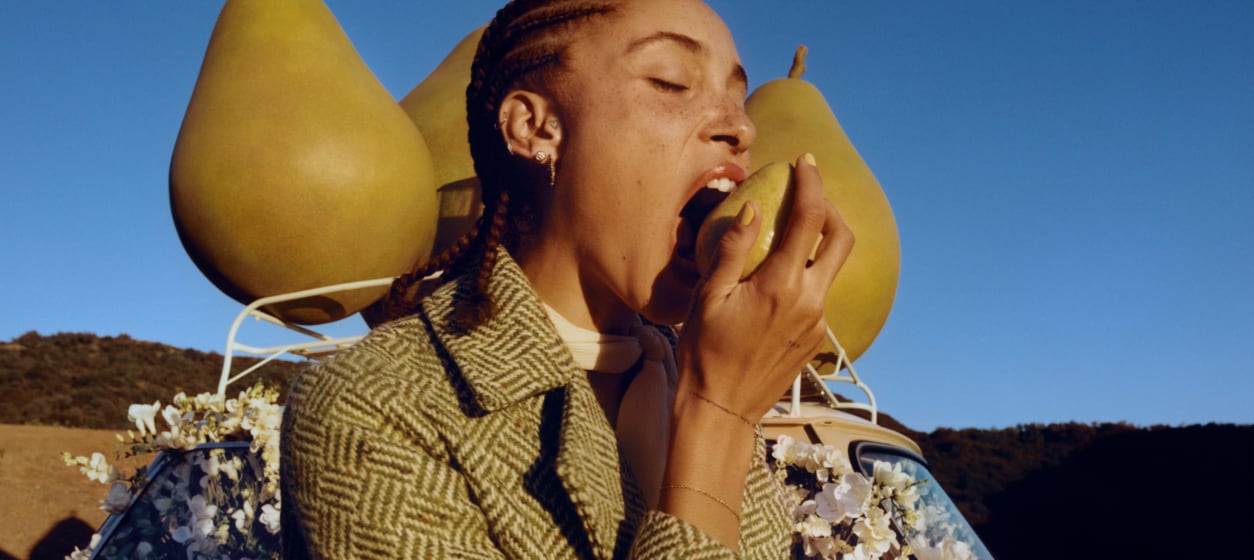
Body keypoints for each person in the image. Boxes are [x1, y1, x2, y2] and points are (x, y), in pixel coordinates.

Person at [280, 0, 854, 558]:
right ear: (535, 128)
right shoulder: (374, 404)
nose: (741, 127)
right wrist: (718, 419)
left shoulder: (696, 374)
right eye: (672, 82)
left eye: (737, 95)